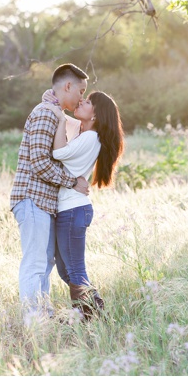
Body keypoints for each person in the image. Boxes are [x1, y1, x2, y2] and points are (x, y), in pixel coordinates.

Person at [9, 63, 91, 323]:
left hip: (42, 202)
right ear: (68, 86)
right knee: (35, 262)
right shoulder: (45, 113)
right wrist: (72, 182)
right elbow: (40, 162)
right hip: (33, 199)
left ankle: (42, 317)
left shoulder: (52, 111)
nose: (81, 97)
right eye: (81, 90)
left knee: (44, 262)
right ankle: (34, 321)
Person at [43, 90, 124, 320]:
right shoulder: (84, 133)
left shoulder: (90, 137)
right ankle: (95, 307)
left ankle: (89, 316)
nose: (81, 101)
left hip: (72, 210)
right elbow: (65, 117)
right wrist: (56, 105)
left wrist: (59, 118)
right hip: (70, 209)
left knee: (75, 270)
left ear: (96, 115)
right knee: (65, 269)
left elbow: (58, 152)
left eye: (87, 102)